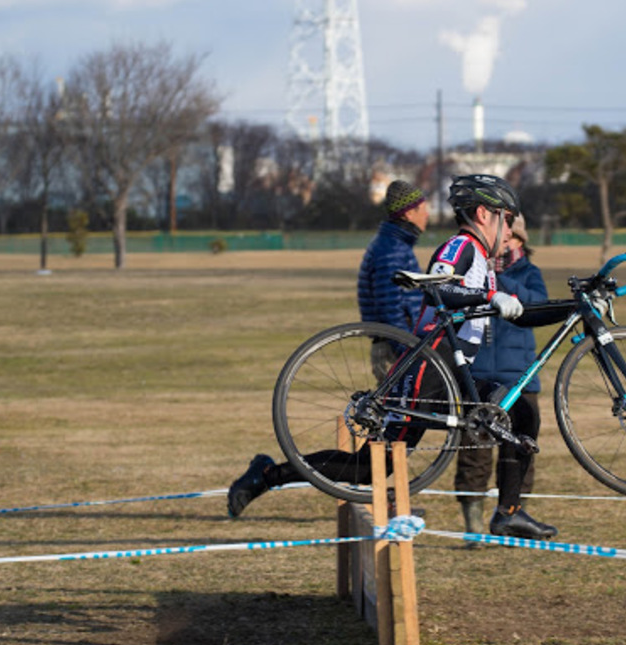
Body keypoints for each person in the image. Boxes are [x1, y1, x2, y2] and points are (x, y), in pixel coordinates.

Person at [227, 174, 565, 540]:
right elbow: (440, 289)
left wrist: (577, 307)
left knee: (522, 412)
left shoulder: (482, 259)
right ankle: (267, 474)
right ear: (484, 214)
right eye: (508, 218)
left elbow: (526, 313)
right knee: (369, 469)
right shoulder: (461, 246)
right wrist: (487, 298)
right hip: (429, 370)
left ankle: (509, 512)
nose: (511, 228)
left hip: (452, 374)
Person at [454, 214, 547, 545]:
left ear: (519, 241)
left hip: (519, 378)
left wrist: (500, 284)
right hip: (477, 376)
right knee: (473, 453)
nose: (503, 241)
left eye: (510, 237)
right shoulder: (473, 267)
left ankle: (513, 513)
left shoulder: (528, 273)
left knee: (520, 448)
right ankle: (473, 524)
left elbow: (538, 306)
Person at [357, 180, 429, 380]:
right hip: (394, 348)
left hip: (395, 343)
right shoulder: (392, 250)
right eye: (422, 209)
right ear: (408, 214)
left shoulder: (394, 244)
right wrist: (408, 349)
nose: (427, 215)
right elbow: (390, 306)